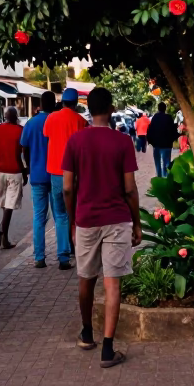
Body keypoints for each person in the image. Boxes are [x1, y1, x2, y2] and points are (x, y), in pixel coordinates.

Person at [62, 86, 142, 368]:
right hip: (117, 219)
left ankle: (86, 332)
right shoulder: (122, 142)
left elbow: (68, 188)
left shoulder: (75, 142)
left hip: (86, 219)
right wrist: (137, 222)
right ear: (110, 109)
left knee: (86, 278)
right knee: (113, 283)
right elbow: (130, 189)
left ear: (88, 108)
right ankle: (108, 348)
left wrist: (72, 220)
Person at [42, 87, 87, 268]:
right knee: (75, 213)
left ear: (62, 102)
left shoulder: (51, 118)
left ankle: (63, 256)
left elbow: (46, 136)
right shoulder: (80, 121)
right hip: (75, 174)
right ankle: (76, 249)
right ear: (76, 103)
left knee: (60, 215)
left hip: (55, 172)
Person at [20, 91, 56, 268]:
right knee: (61, 216)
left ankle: (39, 257)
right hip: (56, 175)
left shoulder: (31, 123)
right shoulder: (57, 121)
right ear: (54, 104)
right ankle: (64, 255)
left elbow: (24, 148)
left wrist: (28, 166)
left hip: (37, 176)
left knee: (39, 217)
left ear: (40, 105)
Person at [0, 105, 24, 251]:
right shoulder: (20, 131)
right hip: (14, 171)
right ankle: (1, 231)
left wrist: (1, 156)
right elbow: (24, 151)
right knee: (9, 206)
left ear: (4, 117)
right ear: (16, 117)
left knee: (5, 205)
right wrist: (25, 171)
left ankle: (4, 239)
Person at [148, 102, 178, 178]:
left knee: (157, 163)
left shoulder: (155, 117)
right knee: (167, 163)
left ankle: (159, 177)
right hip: (167, 145)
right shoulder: (169, 117)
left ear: (158, 108)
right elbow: (173, 130)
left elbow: (150, 130)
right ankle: (166, 178)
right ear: (165, 108)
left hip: (157, 144)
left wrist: (150, 141)